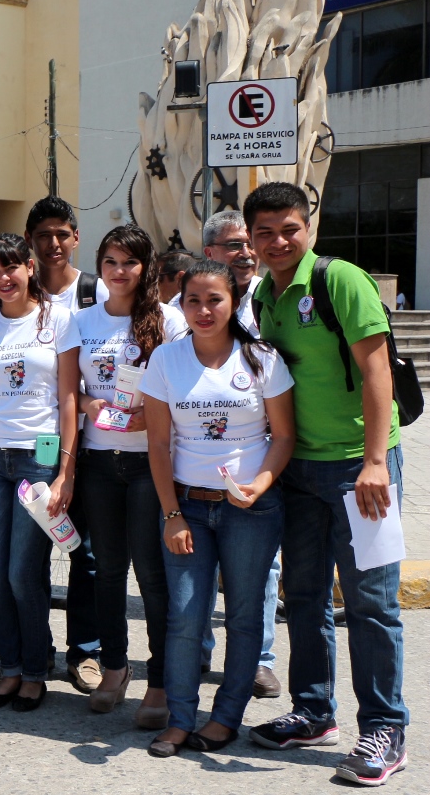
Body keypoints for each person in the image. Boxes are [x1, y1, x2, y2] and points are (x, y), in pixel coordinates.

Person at [246, 182, 410, 787]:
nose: (278, 241)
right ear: (252, 240)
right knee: (306, 595)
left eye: (289, 228)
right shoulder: (265, 293)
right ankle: (314, 711)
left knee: (371, 602)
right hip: (300, 470)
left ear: (309, 226)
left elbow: (376, 368)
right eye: (265, 232)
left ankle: (385, 728)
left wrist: (373, 462)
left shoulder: (340, 280)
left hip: (360, 467)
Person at [141, 259, 295, 758]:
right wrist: (171, 514)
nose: (204, 310)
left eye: (215, 300)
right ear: (179, 304)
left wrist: (261, 483)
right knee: (185, 615)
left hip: (251, 509)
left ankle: (226, 717)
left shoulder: (261, 359)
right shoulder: (165, 360)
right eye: (193, 300)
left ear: (234, 303)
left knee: (246, 616)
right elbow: (159, 446)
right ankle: (181, 719)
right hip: (188, 506)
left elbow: (284, 436)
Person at [0, 233, 79, 712]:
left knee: (22, 570)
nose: (3, 278)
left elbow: (69, 398)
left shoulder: (59, 321)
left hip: (39, 456)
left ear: (30, 268)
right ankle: (9, 668)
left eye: (12, 268)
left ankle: (34, 669)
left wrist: (66, 470)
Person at [72, 226, 186, 727]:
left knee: (152, 577)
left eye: (130, 263)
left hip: (148, 465)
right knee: (108, 571)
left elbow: (185, 386)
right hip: (99, 460)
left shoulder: (170, 321)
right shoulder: (82, 321)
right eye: (111, 262)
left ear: (147, 268)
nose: (119, 272)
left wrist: (153, 417)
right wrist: (87, 402)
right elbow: (66, 388)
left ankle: (159, 680)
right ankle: (115, 668)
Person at [199, 210, 279, 697]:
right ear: (210, 253)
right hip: (202, 456)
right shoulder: (196, 299)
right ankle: (199, 650)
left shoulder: (272, 299)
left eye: (248, 243)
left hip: (261, 451)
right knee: (204, 562)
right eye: (233, 245)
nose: (246, 251)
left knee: (262, 564)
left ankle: (259, 659)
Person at [24, 196, 102, 695]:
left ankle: (86, 652)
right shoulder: (16, 290)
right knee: (27, 551)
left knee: (85, 551)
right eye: (43, 234)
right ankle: (31, 651)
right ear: (30, 239)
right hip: (34, 443)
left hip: (96, 444)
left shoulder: (93, 293)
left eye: (62, 233)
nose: (54, 243)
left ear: (75, 237)